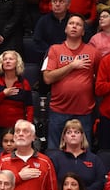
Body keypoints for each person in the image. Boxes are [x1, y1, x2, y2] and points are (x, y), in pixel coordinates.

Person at [41, 14, 100, 147]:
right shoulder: (54, 50)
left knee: (84, 152)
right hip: (58, 110)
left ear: (83, 31)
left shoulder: (93, 52)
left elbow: (99, 79)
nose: (74, 26)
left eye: (78, 24)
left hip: (84, 111)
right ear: (65, 29)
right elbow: (47, 78)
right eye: (71, 23)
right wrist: (72, 66)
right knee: (54, 151)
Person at [48, 120, 107, 190]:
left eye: (77, 132)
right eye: (69, 132)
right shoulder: (55, 159)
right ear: (64, 137)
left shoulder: (94, 159)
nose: (73, 135)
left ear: (82, 136)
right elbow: (51, 183)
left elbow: (100, 181)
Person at [0, 50, 33, 148]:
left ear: (17, 63)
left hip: (17, 129)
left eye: (11, 59)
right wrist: (3, 94)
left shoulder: (24, 84)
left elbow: (29, 107)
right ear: (1, 63)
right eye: (5, 59)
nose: (7, 61)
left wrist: (28, 126)